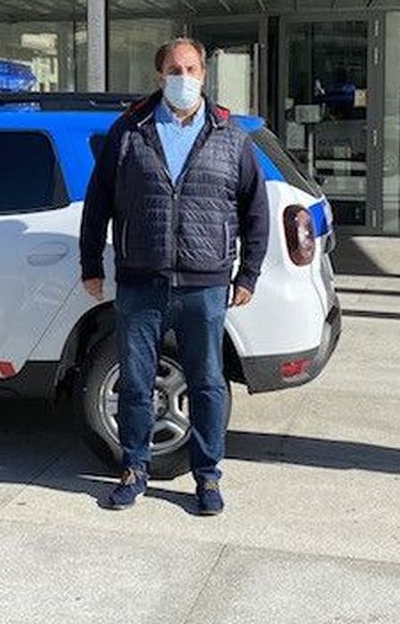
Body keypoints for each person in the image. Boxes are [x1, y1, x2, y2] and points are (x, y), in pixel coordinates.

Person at [79, 37, 268, 516]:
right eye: (174, 69)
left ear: (204, 75)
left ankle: (207, 477)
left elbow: (256, 212)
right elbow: (98, 201)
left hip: (204, 284)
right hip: (141, 280)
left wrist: (248, 274)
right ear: (159, 75)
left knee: (207, 384)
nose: (183, 77)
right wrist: (89, 264)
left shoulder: (230, 135)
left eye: (191, 68)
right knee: (137, 385)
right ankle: (134, 469)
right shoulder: (130, 130)